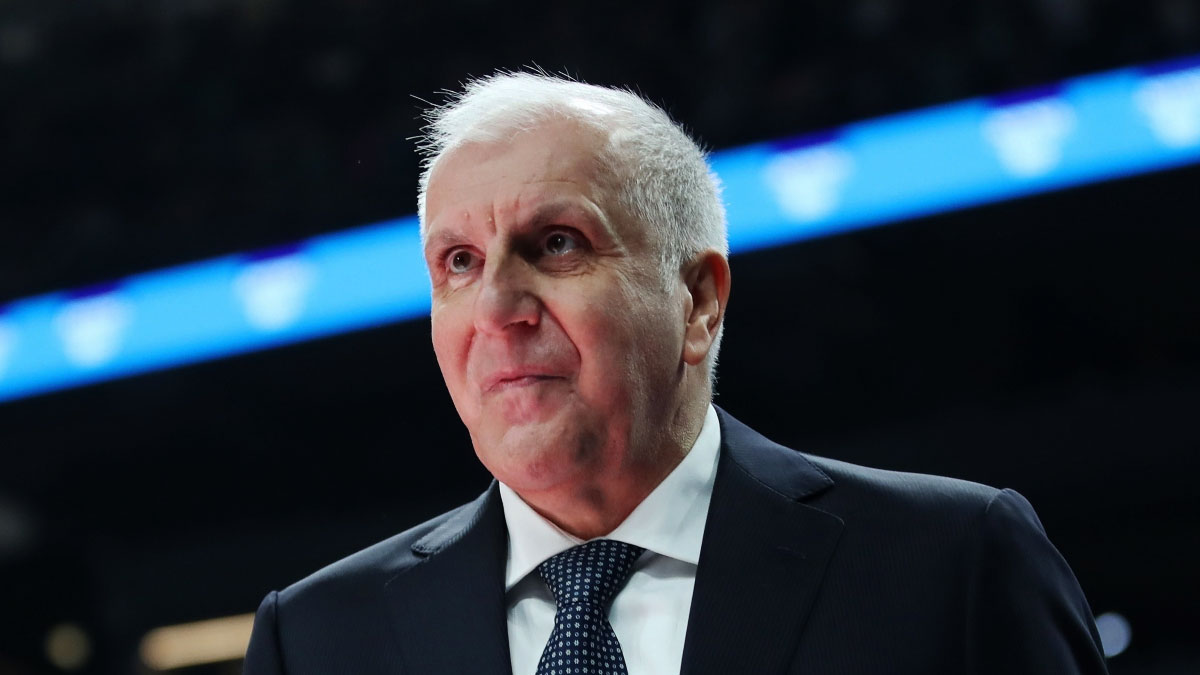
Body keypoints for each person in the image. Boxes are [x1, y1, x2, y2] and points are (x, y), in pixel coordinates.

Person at [243, 72, 1108, 675]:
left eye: (557, 243)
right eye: (459, 263)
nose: (497, 306)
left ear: (697, 301)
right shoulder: (315, 641)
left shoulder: (951, 564)